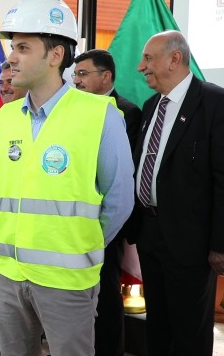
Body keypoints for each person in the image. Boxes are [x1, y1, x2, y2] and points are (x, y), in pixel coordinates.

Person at [0, 0, 134, 355]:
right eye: (12, 47)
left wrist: (79, 243)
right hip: (8, 276)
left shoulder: (100, 114)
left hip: (67, 281)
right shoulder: (6, 118)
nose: (11, 57)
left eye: (23, 47)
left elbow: (119, 199)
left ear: (55, 56)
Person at [129, 30, 224, 356]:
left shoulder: (219, 103)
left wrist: (223, 245)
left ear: (174, 58)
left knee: (189, 332)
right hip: (150, 235)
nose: (141, 67)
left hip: (192, 242)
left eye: (148, 58)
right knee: (158, 328)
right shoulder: (151, 105)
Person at [73, 48, 143, 356]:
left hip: (106, 220)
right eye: (75, 74)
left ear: (106, 77)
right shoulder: (74, 110)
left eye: (83, 74)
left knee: (106, 292)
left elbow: (118, 175)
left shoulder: (126, 111)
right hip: (75, 221)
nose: (76, 81)